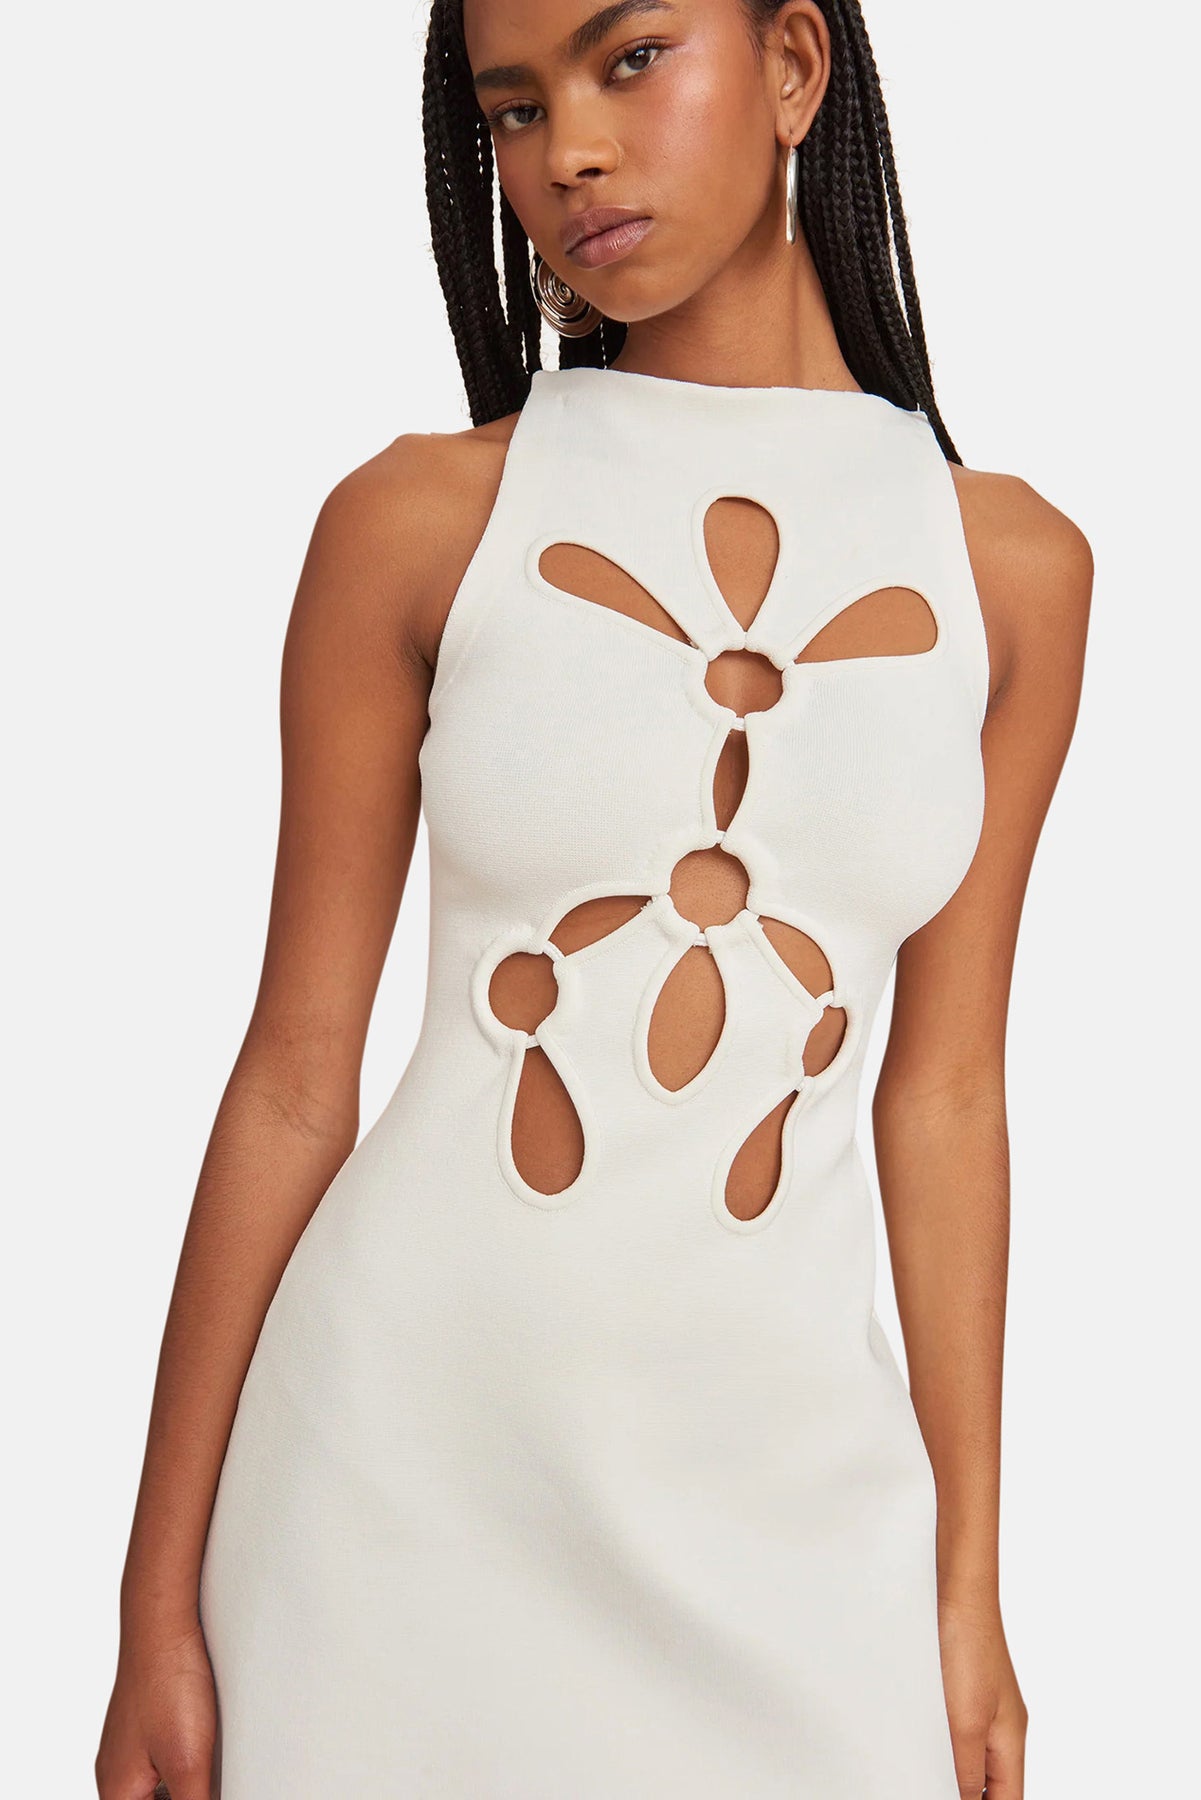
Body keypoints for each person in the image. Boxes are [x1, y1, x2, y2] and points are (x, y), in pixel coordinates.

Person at [96, 0, 1092, 1794]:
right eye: (511, 106)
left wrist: (964, 1590)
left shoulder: (1012, 570)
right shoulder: (414, 521)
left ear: (792, 68)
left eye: (630, 59)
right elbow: (295, 1079)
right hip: (386, 1488)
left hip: (793, 1507)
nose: (566, 150)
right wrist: (154, 1604)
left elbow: (944, 1096)